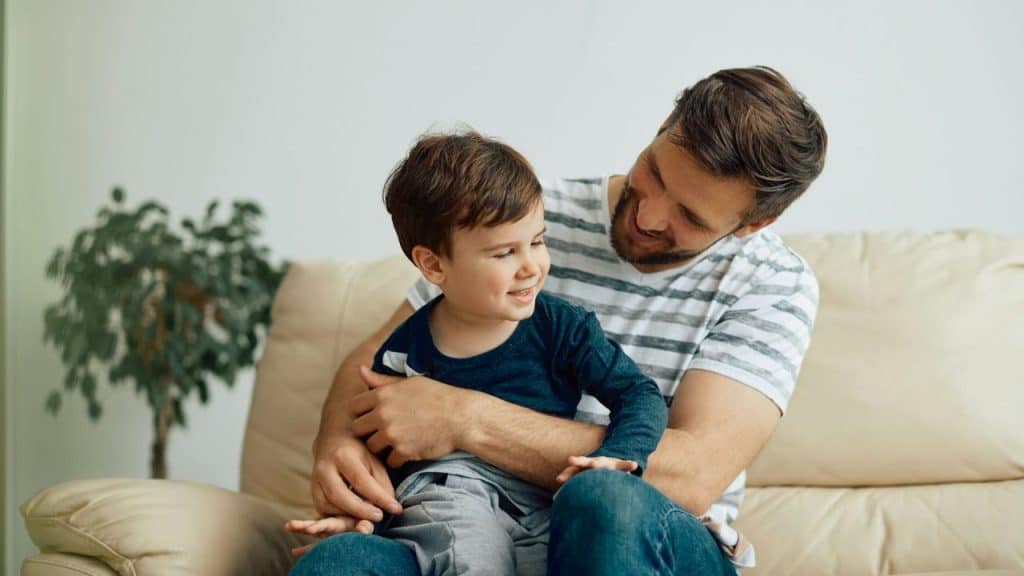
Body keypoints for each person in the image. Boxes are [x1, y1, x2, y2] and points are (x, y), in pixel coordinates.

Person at [291, 65, 827, 576]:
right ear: (663, 127)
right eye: (655, 173)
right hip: (468, 520)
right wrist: (338, 446)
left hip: (644, 540)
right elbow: (374, 361)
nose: (649, 215)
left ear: (753, 223)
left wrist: (467, 418)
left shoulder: (773, 284)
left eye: (690, 217)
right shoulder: (524, 215)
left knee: (603, 501)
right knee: (336, 564)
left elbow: (690, 475)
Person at [288, 132, 668, 576]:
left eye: (538, 242)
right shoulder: (404, 349)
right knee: (465, 546)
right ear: (433, 266)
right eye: (505, 252)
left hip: (541, 502)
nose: (531, 266)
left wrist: (621, 455)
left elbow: (639, 394)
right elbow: (377, 447)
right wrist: (360, 515)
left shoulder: (564, 328)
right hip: (448, 492)